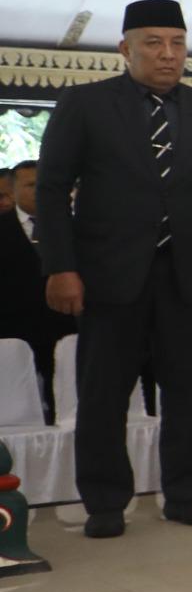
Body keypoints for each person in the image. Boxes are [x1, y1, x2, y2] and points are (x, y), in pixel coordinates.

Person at [37, 0, 192, 537]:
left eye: (177, 43)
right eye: (153, 43)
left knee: (190, 391)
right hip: (109, 274)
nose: (168, 54)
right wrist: (60, 266)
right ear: (125, 49)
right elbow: (52, 188)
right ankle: (106, 502)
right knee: (104, 393)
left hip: (190, 273)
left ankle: (186, 493)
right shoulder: (85, 104)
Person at [0, 157, 70, 423]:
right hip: (16, 329)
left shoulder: (70, 224)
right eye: (30, 185)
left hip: (65, 326)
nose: (38, 191)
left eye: (42, 184)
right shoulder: (3, 228)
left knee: (63, 400)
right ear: (13, 190)